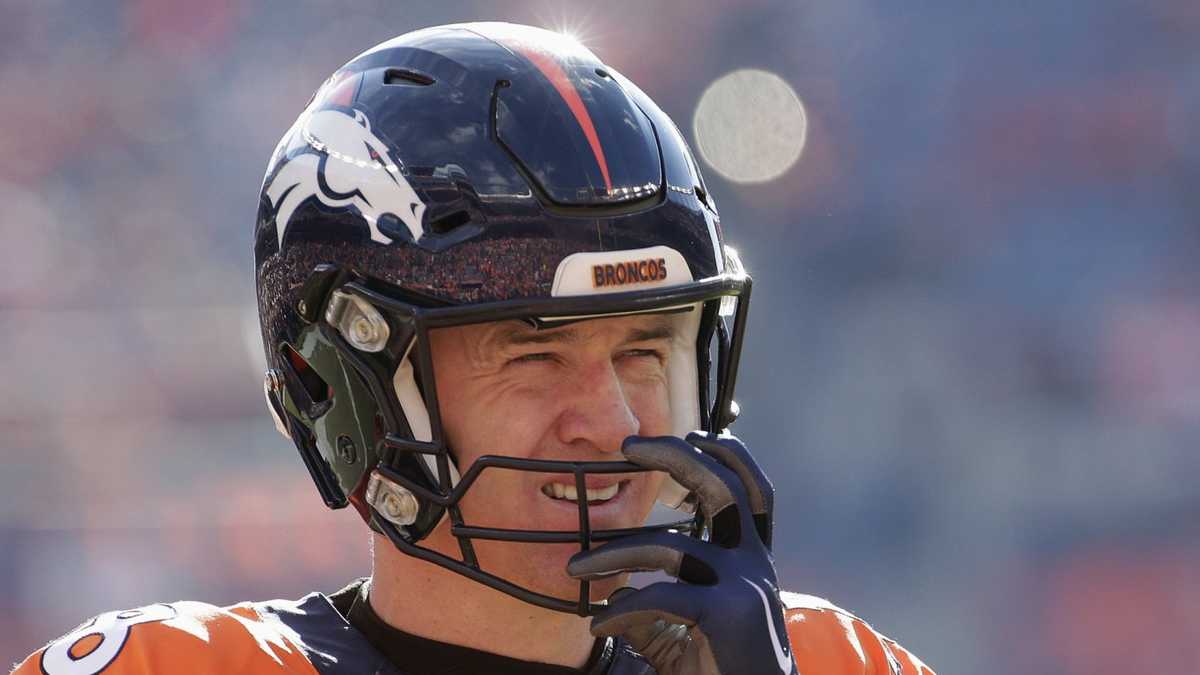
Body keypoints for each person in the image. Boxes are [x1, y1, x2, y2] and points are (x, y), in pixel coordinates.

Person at [13, 22, 933, 675]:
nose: (612, 422)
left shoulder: (823, 661)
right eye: (534, 356)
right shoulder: (174, 669)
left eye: (646, 349)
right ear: (348, 387)